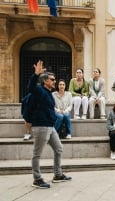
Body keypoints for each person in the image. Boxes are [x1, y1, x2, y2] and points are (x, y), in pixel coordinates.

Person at [28, 60, 71, 189]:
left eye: (54, 80)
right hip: (41, 126)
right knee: (37, 154)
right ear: (45, 81)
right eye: (52, 80)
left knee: (59, 148)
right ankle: (37, 179)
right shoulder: (40, 91)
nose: (54, 82)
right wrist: (36, 74)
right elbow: (31, 87)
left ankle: (58, 175)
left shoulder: (48, 93)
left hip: (49, 126)